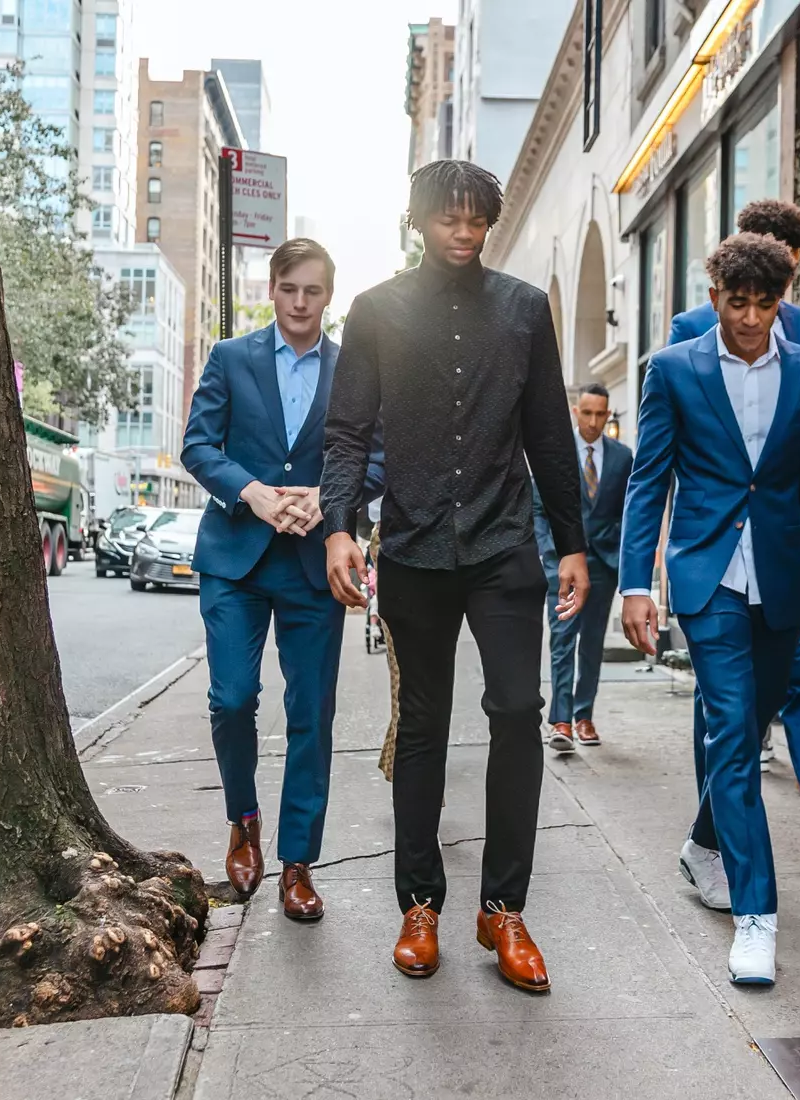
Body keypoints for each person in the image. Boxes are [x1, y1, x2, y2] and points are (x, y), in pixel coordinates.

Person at [322, 160, 588, 994]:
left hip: (504, 545)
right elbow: (347, 431)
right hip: (414, 546)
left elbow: (550, 433)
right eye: (449, 219)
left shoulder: (524, 309)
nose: (464, 234)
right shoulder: (376, 310)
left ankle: (504, 909)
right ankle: (419, 904)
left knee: (517, 711)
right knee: (423, 726)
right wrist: (339, 528)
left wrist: (573, 543)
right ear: (419, 220)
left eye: (477, 220)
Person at [620, 233, 800, 986]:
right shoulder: (674, 369)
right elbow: (649, 481)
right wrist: (637, 584)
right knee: (733, 728)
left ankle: (703, 842)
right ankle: (756, 917)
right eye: (738, 303)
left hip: (782, 575)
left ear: (780, 302)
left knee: (753, 718)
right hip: (708, 577)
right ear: (715, 299)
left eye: (766, 304)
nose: (752, 319)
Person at [182, 239, 383, 917]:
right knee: (232, 698)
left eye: (313, 291)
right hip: (235, 558)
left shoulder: (353, 367)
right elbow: (198, 445)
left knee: (311, 714)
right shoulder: (230, 358)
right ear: (271, 288)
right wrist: (253, 493)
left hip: (313, 564)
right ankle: (243, 819)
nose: (300, 303)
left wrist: (329, 499)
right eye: (290, 288)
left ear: (329, 296)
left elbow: (378, 457)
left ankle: (298, 862)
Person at [673, 200, 800, 768]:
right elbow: (667, 456)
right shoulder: (689, 334)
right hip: (713, 548)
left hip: (784, 540)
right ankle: (724, 801)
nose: (753, 315)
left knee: (785, 685)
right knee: (723, 706)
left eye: (789, 258)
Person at [534, 382, 631, 753]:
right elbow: (539, 508)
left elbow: (629, 511)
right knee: (562, 640)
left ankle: (584, 715)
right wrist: (550, 555)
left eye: (600, 414)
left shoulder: (622, 458)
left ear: (608, 415)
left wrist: (619, 552)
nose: (593, 421)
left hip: (603, 565)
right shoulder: (555, 452)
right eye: (586, 413)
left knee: (592, 644)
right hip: (562, 567)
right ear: (576, 411)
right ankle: (561, 720)